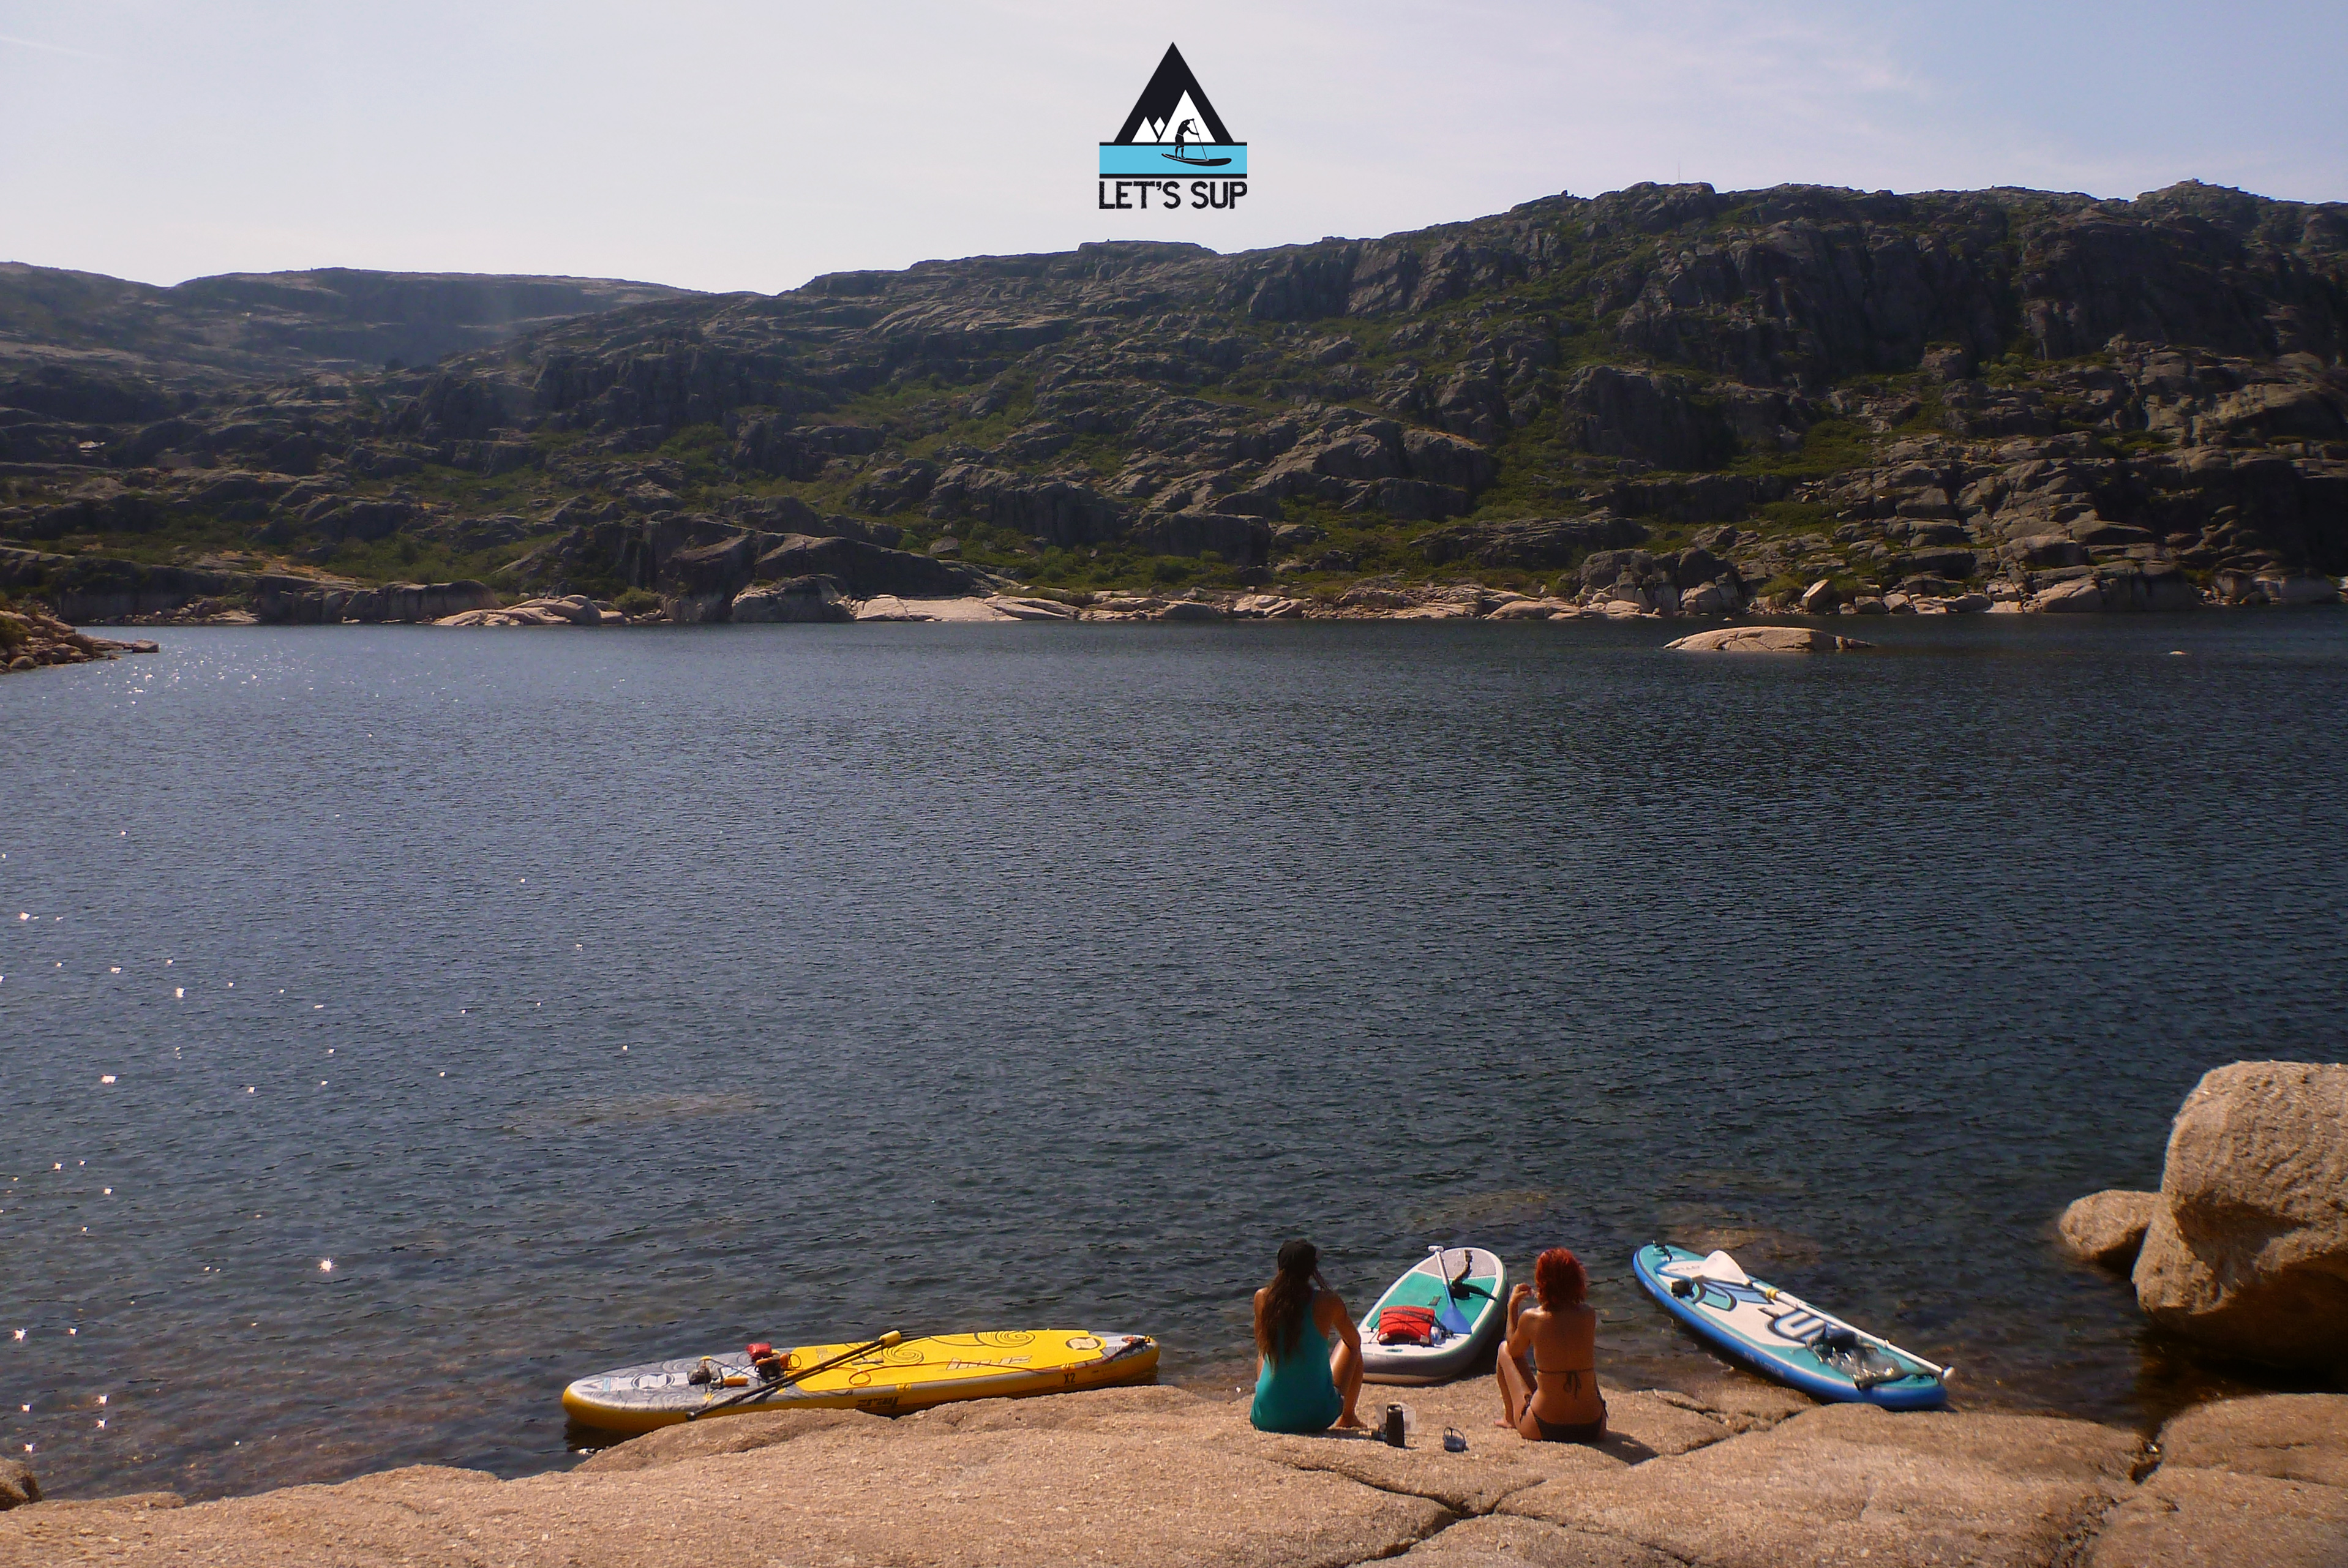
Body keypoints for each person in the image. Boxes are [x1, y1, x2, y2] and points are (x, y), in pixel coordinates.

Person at [1249, 1239, 1367, 1434]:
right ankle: (1348, 1417)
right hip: (1317, 1417)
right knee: (1352, 1345)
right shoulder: (1328, 1301)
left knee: (1265, 1352)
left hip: (1266, 1417)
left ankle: (1273, 1399)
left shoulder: (1262, 1298)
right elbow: (1354, 1341)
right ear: (1311, 1271)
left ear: (1280, 1269)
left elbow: (1262, 1344)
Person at [1495, 1247, 1606, 1443]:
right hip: (1593, 1427)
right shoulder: (1589, 1314)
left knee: (1504, 1349)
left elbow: (1514, 1350)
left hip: (1544, 1426)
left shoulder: (1533, 1318)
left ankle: (1510, 1418)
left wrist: (1512, 1307)